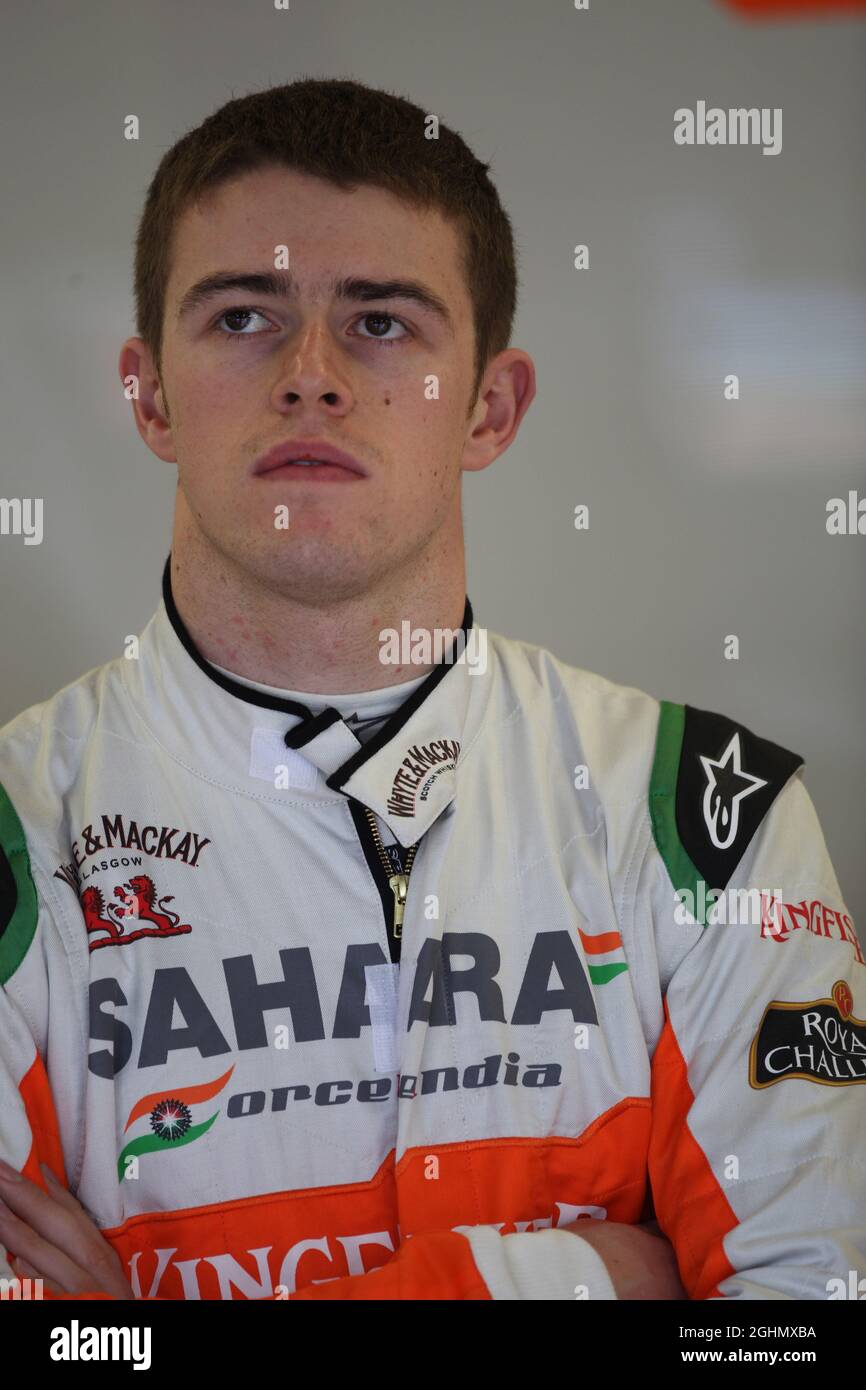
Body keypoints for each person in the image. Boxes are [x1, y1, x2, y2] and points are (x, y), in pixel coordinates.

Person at [0, 77, 862, 1303]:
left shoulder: (706, 822)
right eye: (244, 317)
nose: (310, 376)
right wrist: (579, 1278)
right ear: (147, 393)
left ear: (489, 408)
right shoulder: (14, 836)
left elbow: (802, 1323)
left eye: (382, 323)